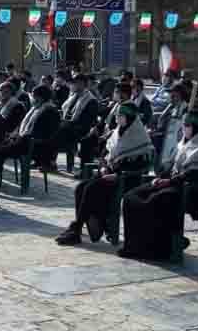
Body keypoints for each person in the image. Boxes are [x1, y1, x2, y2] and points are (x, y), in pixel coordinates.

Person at [118, 102, 198, 260]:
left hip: (191, 190)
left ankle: (159, 248)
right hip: (173, 183)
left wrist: (170, 181)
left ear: (197, 126)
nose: (184, 128)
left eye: (187, 125)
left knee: (156, 200)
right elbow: (172, 165)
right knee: (131, 197)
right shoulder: (186, 143)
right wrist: (162, 177)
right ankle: (135, 245)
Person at [55, 101, 154, 245]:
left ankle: (76, 229)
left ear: (130, 117)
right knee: (80, 188)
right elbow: (104, 153)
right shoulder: (116, 133)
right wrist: (104, 166)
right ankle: (89, 225)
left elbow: (142, 164)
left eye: (121, 115)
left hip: (126, 179)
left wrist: (118, 174)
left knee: (91, 189)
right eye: (118, 115)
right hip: (108, 173)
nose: (117, 118)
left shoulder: (139, 136)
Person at [0, 85, 61, 171]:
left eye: (34, 96)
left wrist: (19, 138)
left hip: (37, 146)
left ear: (41, 98)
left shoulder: (49, 111)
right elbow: (25, 127)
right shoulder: (36, 108)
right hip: (26, 140)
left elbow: (42, 132)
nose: (32, 98)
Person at [48, 73, 99, 169]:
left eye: (75, 83)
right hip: (69, 126)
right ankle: (50, 162)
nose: (72, 85)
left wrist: (67, 123)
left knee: (56, 133)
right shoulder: (74, 96)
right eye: (73, 83)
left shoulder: (91, 100)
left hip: (82, 129)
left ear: (82, 84)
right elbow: (66, 111)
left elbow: (86, 121)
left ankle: (50, 162)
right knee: (50, 128)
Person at [149, 83, 188, 174]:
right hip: (167, 141)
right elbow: (161, 121)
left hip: (175, 145)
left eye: (173, 96)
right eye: (171, 96)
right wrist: (167, 109)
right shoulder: (173, 108)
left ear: (180, 96)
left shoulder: (184, 110)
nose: (171, 98)